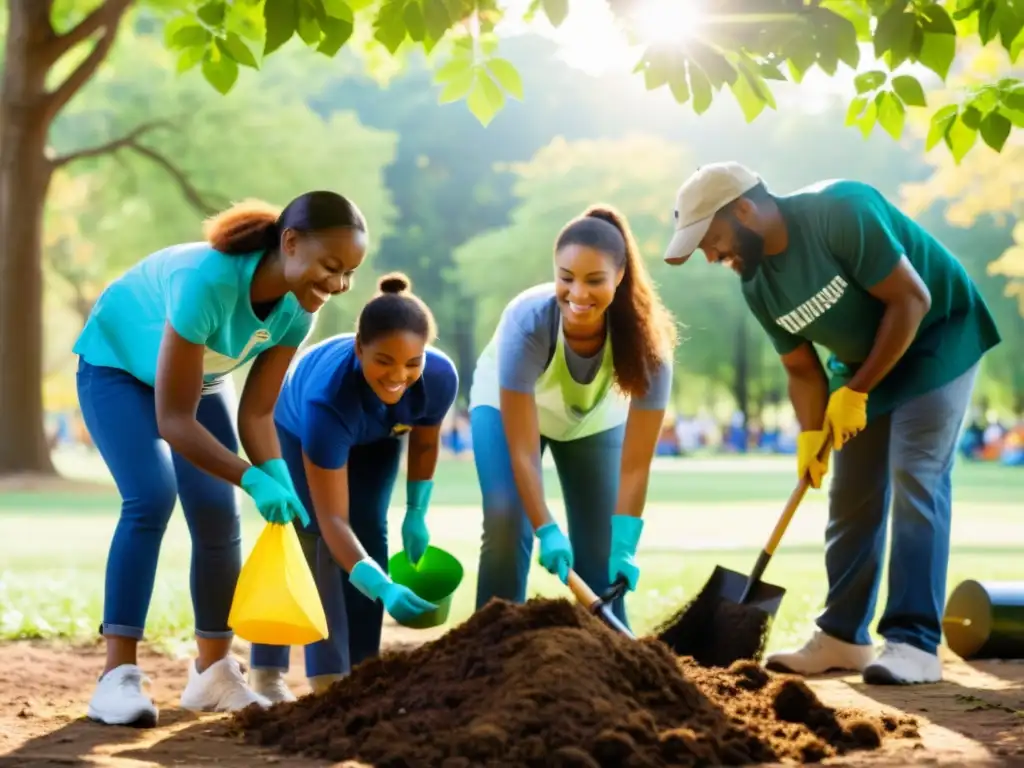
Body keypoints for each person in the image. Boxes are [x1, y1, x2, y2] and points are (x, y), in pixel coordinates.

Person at [663, 163, 1001, 685]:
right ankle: (843, 636)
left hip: (936, 338)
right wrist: (811, 433)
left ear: (745, 209)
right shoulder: (758, 286)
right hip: (864, 363)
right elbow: (801, 368)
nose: (711, 256)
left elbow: (912, 300)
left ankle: (915, 642)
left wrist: (857, 392)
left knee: (916, 474)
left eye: (713, 238)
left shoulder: (841, 210)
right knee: (852, 495)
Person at [73, 191, 368, 726]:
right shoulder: (207, 280)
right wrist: (251, 477)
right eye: (331, 266)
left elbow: (257, 414)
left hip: (199, 380)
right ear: (291, 243)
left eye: (350, 272)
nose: (339, 284)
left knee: (216, 511)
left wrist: (275, 472)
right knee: (151, 495)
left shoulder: (297, 313)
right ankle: (116, 675)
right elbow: (172, 421)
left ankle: (212, 675)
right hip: (117, 368)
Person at [247, 273, 459, 703]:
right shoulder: (327, 399)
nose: (399, 374)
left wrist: (416, 512)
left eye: (412, 362)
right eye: (384, 360)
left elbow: (424, 443)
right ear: (359, 348)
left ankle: (361, 671)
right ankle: (272, 670)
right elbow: (332, 521)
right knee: (309, 540)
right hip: (300, 429)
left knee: (371, 533)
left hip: (377, 435)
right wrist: (384, 587)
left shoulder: (438, 377)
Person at [468, 204, 678, 627]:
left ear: (619, 276)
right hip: (508, 408)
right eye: (566, 278)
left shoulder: (650, 347)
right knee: (509, 518)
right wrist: (545, 528)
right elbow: (524, 452)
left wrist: (625, 545)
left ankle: (613, 666)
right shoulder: (528, 322)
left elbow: (636, 466)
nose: (578, 294)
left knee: (601, 559)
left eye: (595, 280)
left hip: (591, 419)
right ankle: (489, 650)